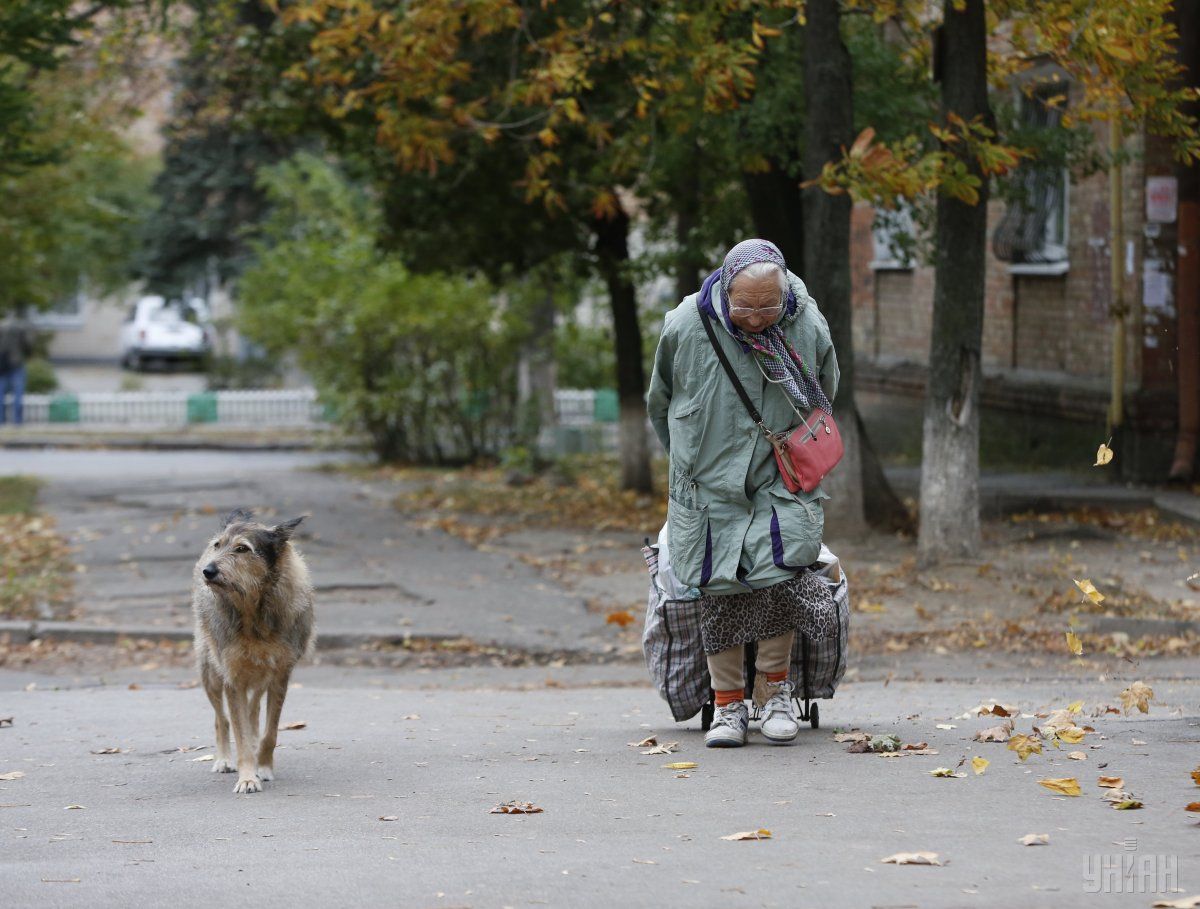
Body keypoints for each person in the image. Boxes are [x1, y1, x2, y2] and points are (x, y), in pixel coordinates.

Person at [646, 239, 840, 748]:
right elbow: (659, 400)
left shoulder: (806, 322)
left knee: (778, 574)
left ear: (784, 295)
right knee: (717, 583)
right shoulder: (687, 324)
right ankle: (727, 706)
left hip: (781, 478)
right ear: (725, 288)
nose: (756, 317)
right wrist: (686, 462)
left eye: (767, 306)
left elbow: (827, 387)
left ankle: (775, 693)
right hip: (707, 482)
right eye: (745, 305)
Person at [0, 311, 34, 427]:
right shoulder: (20, 328)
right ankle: (17, 422)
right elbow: (28, 345)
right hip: (16, 363)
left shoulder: (2, 327)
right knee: (18, 394)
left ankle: (1, 421)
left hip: (2, 365)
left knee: (1, 395)